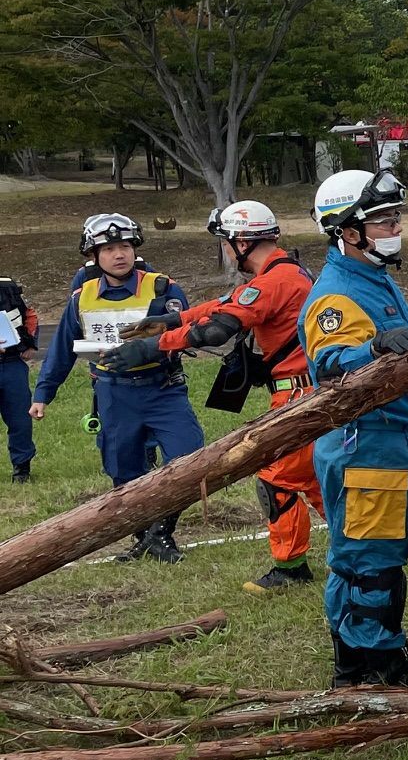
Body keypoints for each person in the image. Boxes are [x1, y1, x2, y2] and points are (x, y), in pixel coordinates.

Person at [109, 202, 324, 594]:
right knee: (314, 480)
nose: (225, 250)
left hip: (297, 395)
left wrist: (154, 346)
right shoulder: (285, 271)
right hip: (301, 391)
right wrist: (174, 319)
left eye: (225, 242)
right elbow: (228, 302)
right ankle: (361, 544)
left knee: (275, 479)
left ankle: (292, 568)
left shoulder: (275, 281)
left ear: (240, 242)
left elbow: (217, 330)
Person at [302, 169, 408, 690]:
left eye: (394, 217)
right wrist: (376, 348)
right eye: (383, 219)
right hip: (367, 447)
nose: (395, 227)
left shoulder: (372, 279)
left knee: (372, 556)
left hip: (386, 437)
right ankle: (373, 667)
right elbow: (333, 364)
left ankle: (362, 658)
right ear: (348, 229)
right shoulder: (337, 293)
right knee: (370, 564)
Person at [31, 214, 203, 559]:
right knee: (123, 470)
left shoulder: (162, 288)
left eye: (124, 246)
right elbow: (63, 348)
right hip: (113, 393)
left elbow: (189, 333)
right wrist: (42, 395)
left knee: (190, 458)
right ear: (94, 255)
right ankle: (144, 537)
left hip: (162, 388)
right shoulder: (82, 297)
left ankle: (162, 532)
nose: (118, 254)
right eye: (108, 248)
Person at [0, 272, 35, 482]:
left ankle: (22, 468)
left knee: (20, 420)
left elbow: (29, 315)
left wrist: (30, 343)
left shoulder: (7, 287)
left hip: (12, 365)